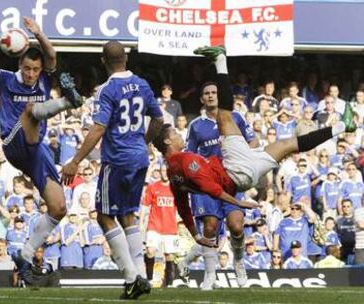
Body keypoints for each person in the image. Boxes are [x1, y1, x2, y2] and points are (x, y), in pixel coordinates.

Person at [151, 45, 356, 280]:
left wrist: (193, 217)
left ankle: (341, 127)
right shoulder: (187, 155)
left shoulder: (177, 168)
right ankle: (220, 60)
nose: (180, 134)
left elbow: (184, 199)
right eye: (175, 134)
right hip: (233, 171)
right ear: (168, 141)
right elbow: (208, 187)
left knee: (288, 144)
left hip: (243, 166)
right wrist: (240, 202)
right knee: (227, 116)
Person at [0, 15, 83, 263]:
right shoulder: (6, 79)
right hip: (13, 143)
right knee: (30, 109)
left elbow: (52, 56)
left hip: (37, 150)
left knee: (59, 208)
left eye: (35, 70)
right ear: (20, 65)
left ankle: (24, 257)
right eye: (27, 68)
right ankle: (68, 102)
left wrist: (38, 33)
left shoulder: (44, 80)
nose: (31, 74)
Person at [61, 41, 164, 299]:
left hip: (117, 160)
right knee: (128, 216)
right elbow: (159, 119)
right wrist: (145, 142)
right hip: (139, 158)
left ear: (102, 61)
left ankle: (132, 277)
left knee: (104, 216)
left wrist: (75, 161)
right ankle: (140, 276)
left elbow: (98, 128)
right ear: (126, 58)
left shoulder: (107, 89)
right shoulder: (142, 84)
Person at [179, 56, 257, 290]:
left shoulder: (236, 117)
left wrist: (243, 158)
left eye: (215, 92)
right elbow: (189, 156)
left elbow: (252, 143)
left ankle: (239, 263)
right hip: (207, 185)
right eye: (208, 93)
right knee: (210, 227)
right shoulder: (196, 126)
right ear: (202, 99)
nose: (212, 95)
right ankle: (209, 274)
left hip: (232, 181)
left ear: (219, 95)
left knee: (236, 225)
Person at [140, 164, 178, 287]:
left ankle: (169, 284)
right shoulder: (153, 187)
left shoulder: (176, 188)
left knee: (170, 256)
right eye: (162, 171)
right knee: (150, 251)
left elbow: (182, 207)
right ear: (159, 172)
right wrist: (141, 223)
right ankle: (149, 280)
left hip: (170, 227)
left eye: (167, 171)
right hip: (154, 226)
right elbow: (145, 207)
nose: (165, 173)